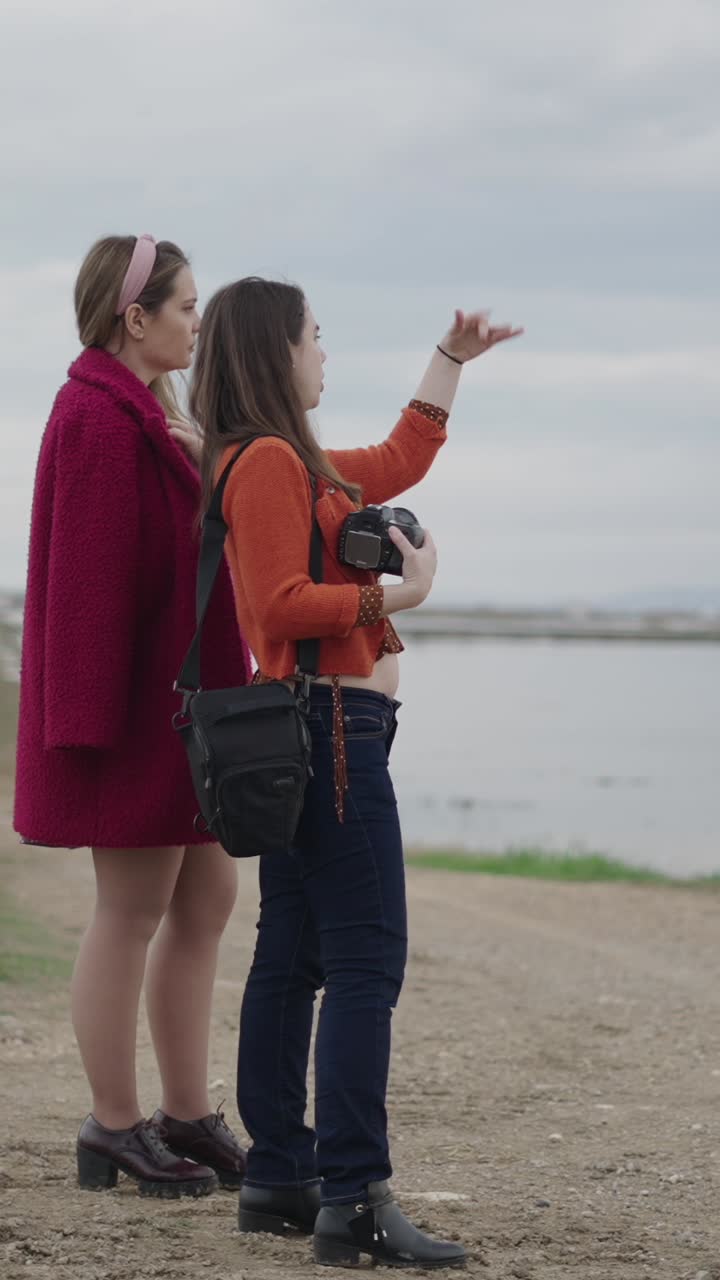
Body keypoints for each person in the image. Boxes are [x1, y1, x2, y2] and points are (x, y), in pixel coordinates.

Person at [191, 276, 522, 1265]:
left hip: (322, 728)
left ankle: (283, 1176)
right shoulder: (264, 465)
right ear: (272, 351)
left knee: (293, 953)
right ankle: (354, 1196)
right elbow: (278, 605)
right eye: (314, 336)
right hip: (331, 731)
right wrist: (393, 599)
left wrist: (451, 360)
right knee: (367, 958)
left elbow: (400, 456)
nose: (323, 351)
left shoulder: (298, 462)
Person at [14, 235, 252, 1198]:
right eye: (186, 306)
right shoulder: (96, 416)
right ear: (135, 315)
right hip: (132, 716)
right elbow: (83, 588)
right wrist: (85, 730)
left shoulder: (153, 415)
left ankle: (187, 1115)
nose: (199, 322)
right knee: (131, 910)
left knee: (207, 900)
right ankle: (114, 1125)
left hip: (185, 703)